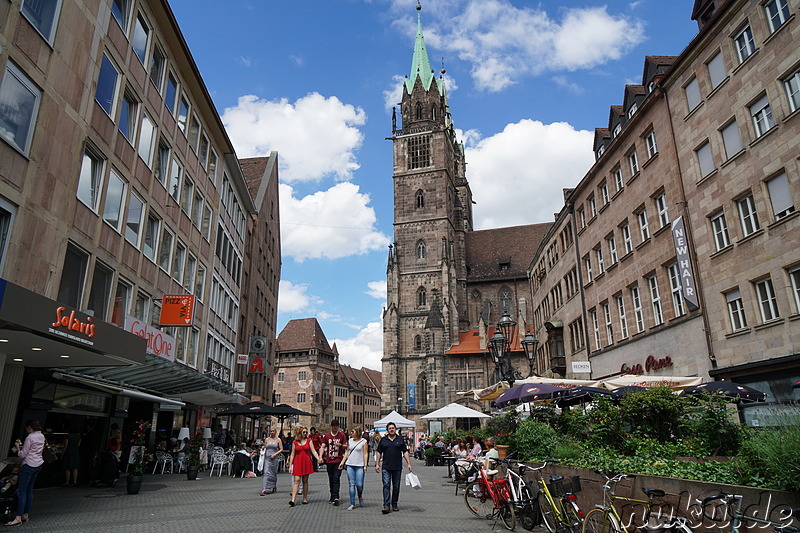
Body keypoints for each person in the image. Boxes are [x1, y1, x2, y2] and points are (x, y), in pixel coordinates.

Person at [5, 420, 45, 527]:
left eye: (27, 428)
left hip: (28, 465)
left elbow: (22, 455)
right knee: (29, 490)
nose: (26, 430)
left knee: (22, 491)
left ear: (30, 428)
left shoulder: (30, 437)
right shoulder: (41, 436)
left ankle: (18, 517)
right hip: (38, 465)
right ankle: (25, 515)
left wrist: (18, 447)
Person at [375, 422, 413, 514]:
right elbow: (379, 452)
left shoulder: (400, 439)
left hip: (397, 467)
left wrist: (409, 463)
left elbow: (405, 452)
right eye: (390, 428)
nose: (391, 429)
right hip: (386, 466)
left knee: (396, 487)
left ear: (395, 429)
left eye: (393, 428)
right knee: (386, 485)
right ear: (387, 430)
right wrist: (377, 464)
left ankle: (394, 503)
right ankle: (386, 505)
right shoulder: (383, 440)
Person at [287, 426, 322, 506]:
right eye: (304, 432)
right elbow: (292, 454)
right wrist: (290, 465)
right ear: (300, 433)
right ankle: (293, 500)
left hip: (306, 461)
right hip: (297, 462)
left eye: (306, 432)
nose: (305, 433)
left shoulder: (309, 440)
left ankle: (305, 498)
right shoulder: (295, 442)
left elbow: (313, 451)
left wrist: (318, 458)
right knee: (297, 480)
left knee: (305, 481)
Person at [339, 426, 368, 510]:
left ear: (357, 432)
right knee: (351, 484)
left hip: (360, 465)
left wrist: (365, 465)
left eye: (353, 431)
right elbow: (347, 452)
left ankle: (360, 496)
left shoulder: (364, 441)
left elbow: (365, 453)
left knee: (359, 484)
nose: (351, 433)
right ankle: (352, 503)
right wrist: (342, 462)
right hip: (350, 464)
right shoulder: (350, 441)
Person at [321, 420, 347, 506]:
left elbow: (346, 446)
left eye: (336, 426)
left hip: (338, 460)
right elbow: (323, 446)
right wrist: (320, 456)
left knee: (336, 478)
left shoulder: (342, 435)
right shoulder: (327, 436)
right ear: (331, 426)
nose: (335, 427)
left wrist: (341, 445)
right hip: (329, 460)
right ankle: (332, 495)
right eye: (333, 426)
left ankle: (336, 496)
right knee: (331, 478)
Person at [259, 428, 282, 496]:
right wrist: (263, 447)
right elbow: (266, 446)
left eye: (273, 431)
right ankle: (264, 489)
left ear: (275, 432)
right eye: (271, 431)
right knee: (266, 472)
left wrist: (274, 455)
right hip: (267, 458)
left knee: (273, 473)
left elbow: (281, 449)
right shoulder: (267, 439)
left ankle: (273, 486)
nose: (271, 432)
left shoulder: (278, 440)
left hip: (274, 459)